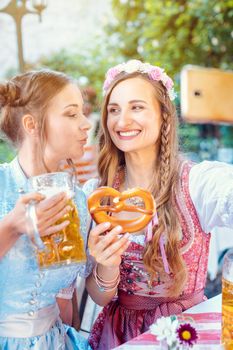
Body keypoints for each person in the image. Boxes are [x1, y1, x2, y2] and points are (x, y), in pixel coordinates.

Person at [83, 59, 233, 349]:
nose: (121, 121)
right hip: (120, 337)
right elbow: (99, 296)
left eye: (136, 107)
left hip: (186, 334)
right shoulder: (99, 195)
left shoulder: (196, 183)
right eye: (114, 110)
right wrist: (106, 265)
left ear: (164, 115)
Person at [0, 69, 94, 349]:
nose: (86, 124)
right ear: (32, 124)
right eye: (71, 113)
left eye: (83, 113)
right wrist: (11, 228)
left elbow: (64, 298)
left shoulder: (77, 200)